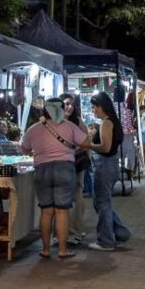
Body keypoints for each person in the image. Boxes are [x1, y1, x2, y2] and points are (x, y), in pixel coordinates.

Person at [22, 98, 88, 259]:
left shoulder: (34, 129)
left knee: (46, 211)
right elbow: (86, 141)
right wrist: (72, 148)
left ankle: (45, 250)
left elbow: (24, 149)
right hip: (65, 169)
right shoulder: (70, 126)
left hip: (41, 169)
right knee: (62, 211)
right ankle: (62, 249)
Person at [79, 92, 132, 251]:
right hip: (109, 164)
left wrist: (87, 145)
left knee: (102, 203)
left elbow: (105, 147)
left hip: (104, 165)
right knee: (103, 202)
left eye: (95, 106)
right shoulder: (111, 122)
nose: (93, 110)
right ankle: (120, 232)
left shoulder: (106, 123)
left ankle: (106, 240)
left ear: (102, 106)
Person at [59, 93, 90, 246]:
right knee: (65, 196)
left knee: (77, 193)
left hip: (77, 161)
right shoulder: (54, 121)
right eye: (66, 103)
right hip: (63, 163)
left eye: (71, 104)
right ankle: (65, 230)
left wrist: (73, 150)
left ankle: (76, 229)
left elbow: (86, 140)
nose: (69, 107)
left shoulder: (77, 121)